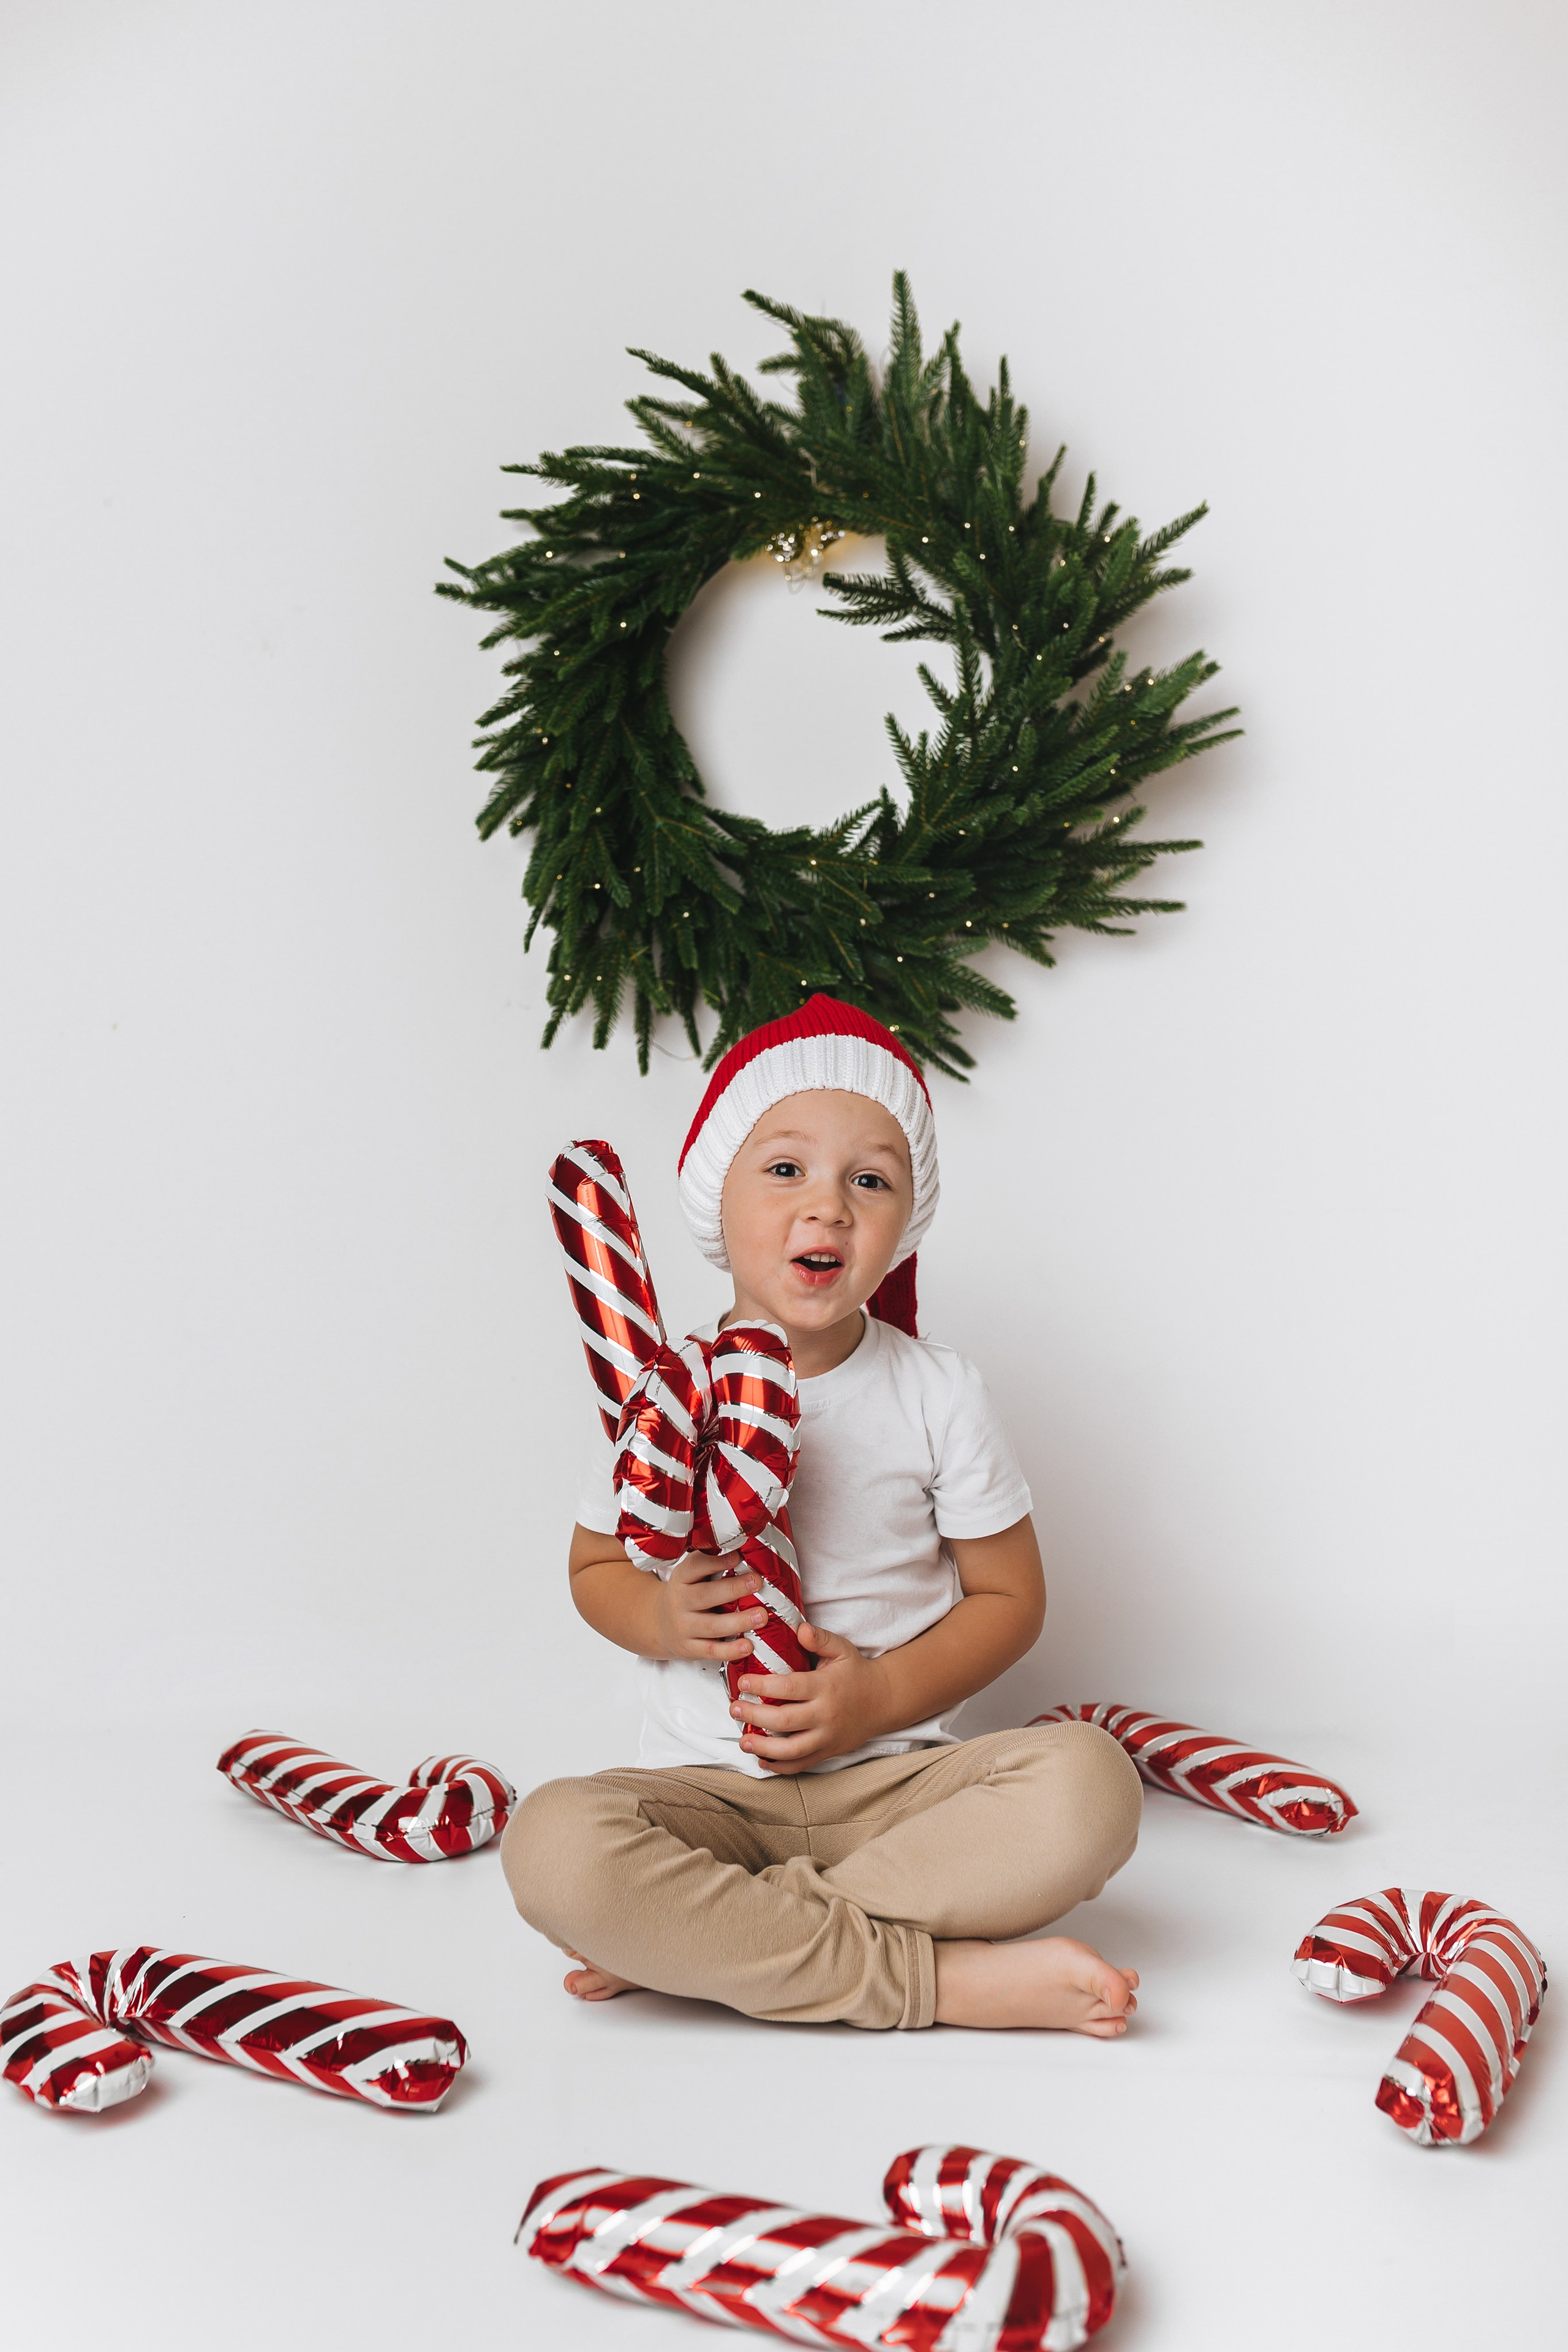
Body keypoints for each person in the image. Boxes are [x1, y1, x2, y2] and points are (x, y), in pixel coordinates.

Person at [502, 995, 1142, 2034]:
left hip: (900, 1791)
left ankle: (716, 1946)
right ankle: (936, 1981)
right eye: (787, 1169)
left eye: (871, 1180)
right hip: (711, 1801)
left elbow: (1011, 1598)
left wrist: (879, 1695)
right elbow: (593, 1570)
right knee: (553, 1845)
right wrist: (663, 1619)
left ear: (905, 1223)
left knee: (1091, 1787)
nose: (829, 1208)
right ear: (719, 1200)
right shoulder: (662, 1398)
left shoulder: (938, 1392)